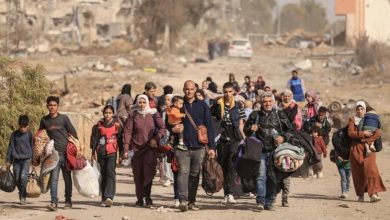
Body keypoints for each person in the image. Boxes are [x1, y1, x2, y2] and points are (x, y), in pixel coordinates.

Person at [170, 80, 215, 212]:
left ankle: (191, 201)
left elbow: (210, 127)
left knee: (195, 174)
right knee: (183, 172)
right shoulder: (178, 105)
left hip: (199, 147)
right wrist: (173, 129)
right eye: (187, 89)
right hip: (182, 146)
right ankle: (183, 200)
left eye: (191, 89)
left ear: (195, 90)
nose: (189, 91)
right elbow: (168, 121)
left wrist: (212, 147)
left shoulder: (202, 106)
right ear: (183, 90)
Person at [244, 92, 294, 211]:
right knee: (261, 176)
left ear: (273, 102)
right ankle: (260, 201)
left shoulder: (279, 114)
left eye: (269, 101)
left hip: (276, 151)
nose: (267, 104)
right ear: (261, 102)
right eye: (265, 101)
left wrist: (283, 137)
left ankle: (269, 202)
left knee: (273, 177)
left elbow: (290, 130)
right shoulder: (255, 115)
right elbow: (246, 130)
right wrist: (250, 129)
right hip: (260, 150)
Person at [122, 94, 166, 207]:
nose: (141, 105)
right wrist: (126, 148)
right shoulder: (133, 115)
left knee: (149, 173)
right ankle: (140, 199)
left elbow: (163, 128)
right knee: (138, 175)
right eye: (140, 102)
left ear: (147, 103)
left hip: (150, 149)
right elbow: (127, 132)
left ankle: (148, 197)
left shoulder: (153, 114)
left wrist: (156, 139)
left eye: (143, 102)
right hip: (136, 150)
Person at [39, 96, 78, 211]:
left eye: (54, 105)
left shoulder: (64, 119)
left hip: (66, 154)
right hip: (54, 155)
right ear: (47, 106)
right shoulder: (44, 120)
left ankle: (68, 201)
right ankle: (54, 202)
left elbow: (74, 133)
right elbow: (40, 136)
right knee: (54, 179)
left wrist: (75, 149)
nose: (52, 107)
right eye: (50, 105)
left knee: (67, 179)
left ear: (58, 107)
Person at [210, 82, 246, 204]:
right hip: (222, 138)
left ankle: (231, 193)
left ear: (233, 92)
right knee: (224, 166)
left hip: (235, 137)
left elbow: (241, 124)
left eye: (230, 92)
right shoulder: (217, 105)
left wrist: (244, 138)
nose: (228, 94)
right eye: (226, 91)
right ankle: (226, 194)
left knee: (231, 165)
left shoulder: (238, 105)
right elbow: (211, 120)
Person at [348, 101, 386, 203]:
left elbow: (378, 132)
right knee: (358, 173)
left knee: (372, 170)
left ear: (365, 109)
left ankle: (373, 194)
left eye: (362, 109)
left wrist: (368, 140)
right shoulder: (352, 119)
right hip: (356, 148)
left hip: (370, 148)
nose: (360, 111)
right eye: (358, 109)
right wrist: (362, 133)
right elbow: (351, 133)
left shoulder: (371, 120)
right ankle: (360, 195)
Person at [91, 105, 121, 207]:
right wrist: (93, 153)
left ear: (113, 114)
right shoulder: (98, 126)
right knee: (102, 175)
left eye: (109, 113)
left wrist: (120, 155)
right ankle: (103, 198)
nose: (107, 115)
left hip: (112, 153)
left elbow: (120, 141)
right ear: (103, 114)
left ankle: (109, 197)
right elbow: (95, 140)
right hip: (101, 153)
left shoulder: (117, 126)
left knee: (110, 174)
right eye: (106, 113)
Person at [6, 115, 33, 205]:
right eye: (21, 126)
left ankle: (23, 197)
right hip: (16, 160)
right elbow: (10, 148)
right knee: (17, 179)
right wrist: (8, 161)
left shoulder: (29, 135)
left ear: (28, 126)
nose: (22, 128)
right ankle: (22, 192)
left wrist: (33, 160)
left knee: (23, 177)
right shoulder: (14, 134)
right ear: (18, 125)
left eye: (24, 126)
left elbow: (32, 147)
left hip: (26, 160)